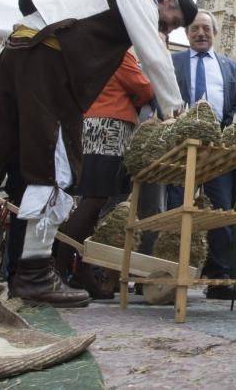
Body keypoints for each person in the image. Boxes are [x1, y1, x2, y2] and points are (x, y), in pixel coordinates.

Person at [0, 0, 197, 307]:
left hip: (19, 50)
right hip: (50, 60)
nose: (168, 31)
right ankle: (34, 276)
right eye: (173, 24)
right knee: (51, 165)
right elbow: (155, 56)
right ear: (168, 1)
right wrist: (177, 111)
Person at [54, 50, 155, 299]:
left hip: (94, 124)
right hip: (108, 127)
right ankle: (57, 268)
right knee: (94, 200)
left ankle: (81, 271)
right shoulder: (119, 53)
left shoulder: (93, 52)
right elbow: (144, 89)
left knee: (93, 202)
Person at [167, 9, 236, 300]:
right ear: (187, 33)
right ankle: (169, 273)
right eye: (195, 29)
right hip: (180, 148)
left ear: (215, 32)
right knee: (176, 208)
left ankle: (218, 276)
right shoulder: (173, 61)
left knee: (220, 211)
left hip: (218, 149)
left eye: (206, 29)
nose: (201, 33)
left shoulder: (229, 66)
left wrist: (232, 130)